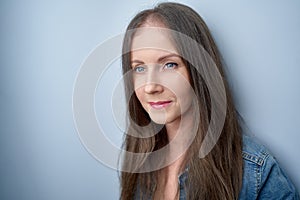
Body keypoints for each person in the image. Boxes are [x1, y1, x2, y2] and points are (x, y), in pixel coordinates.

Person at [119, 2, 299, 200]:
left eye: (169, 64)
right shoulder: (139, 159)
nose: (150, 86)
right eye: (139, 68)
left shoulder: (253, 169)